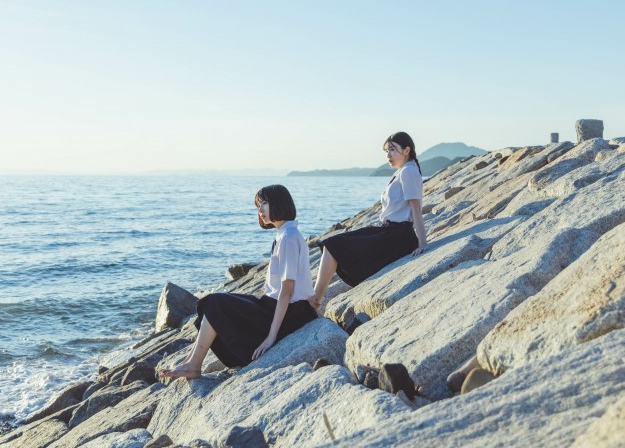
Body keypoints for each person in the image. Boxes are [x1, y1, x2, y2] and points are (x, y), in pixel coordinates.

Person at [159, 184, 317, 379]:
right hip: (278, 307)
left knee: (216, 303)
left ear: (279, 202)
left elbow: (286, 291)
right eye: (258, 205)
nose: (260, 210)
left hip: (288, 314)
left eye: (264, 203)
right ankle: (191, 362)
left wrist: (271, 337)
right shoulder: (285, 234)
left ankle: (193, 365)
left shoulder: (288, 238)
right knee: (211, 303)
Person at [309, 131, 429, 309]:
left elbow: (416, 210)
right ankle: (315, 299)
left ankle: (314, 300)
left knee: (334, 245)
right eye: (386, 151)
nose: (388, 155)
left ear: (406, 150)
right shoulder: (403, 171)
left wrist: (422, 244)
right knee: (333, 244)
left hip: (397, 236)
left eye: (392, 150)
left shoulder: (408, 171)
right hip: (389, 231)